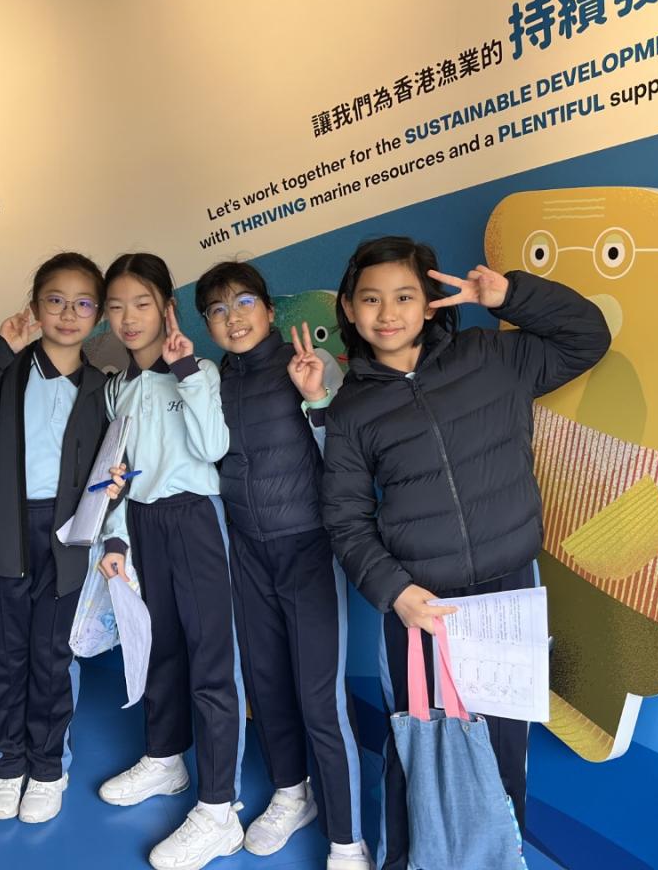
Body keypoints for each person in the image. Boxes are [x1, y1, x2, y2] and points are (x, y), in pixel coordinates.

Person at [320, 236, 610, 870]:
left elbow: (587, 338)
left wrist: (508, 297)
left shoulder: (491, 355)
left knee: (503, 752)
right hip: (421, 605)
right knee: (418, 752)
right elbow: (344, 519)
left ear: (430, 303)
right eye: (370, 299)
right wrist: (396, 593)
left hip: (507, 593)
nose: (388, 313)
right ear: (348, 308)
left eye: (404, 296)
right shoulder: (350, 411)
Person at [0, 252, 125, 825]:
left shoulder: (104, 388)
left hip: (68, 541)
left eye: (83, 303)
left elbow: (110, 468)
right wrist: (0, 349)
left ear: (98, 315)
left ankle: (47, 767)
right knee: (4, 656)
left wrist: (115, 486)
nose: (68, 313)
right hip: (1, 536)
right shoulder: (4, 371)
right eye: (55, 300)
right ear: (34, 306)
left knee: (52, 656)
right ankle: (8, 763)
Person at [194, 259, 371, 870]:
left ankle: (347, 841)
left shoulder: (305, 365)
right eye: (217, 310)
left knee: (320, 699)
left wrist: (316, 397)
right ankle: (293, 795)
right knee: (265, 685)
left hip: (307, 548)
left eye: (244, 302)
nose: (232, 318)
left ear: (270, 310)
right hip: (246, 551)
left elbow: (346, 458)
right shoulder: (214, 380)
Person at [94, 252, 246, 870]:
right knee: (157, 647)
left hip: (195, 519)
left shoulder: (199, 371)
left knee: (211, 662)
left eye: (142, 303)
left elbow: (213, 447)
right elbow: (118, 477)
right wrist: (114, 538)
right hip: (144, 524)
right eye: (116, 307)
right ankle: (165, 759)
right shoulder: (119, 390)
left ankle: (219, 810)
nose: (129, 318)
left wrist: (185, 371)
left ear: (167, 308)